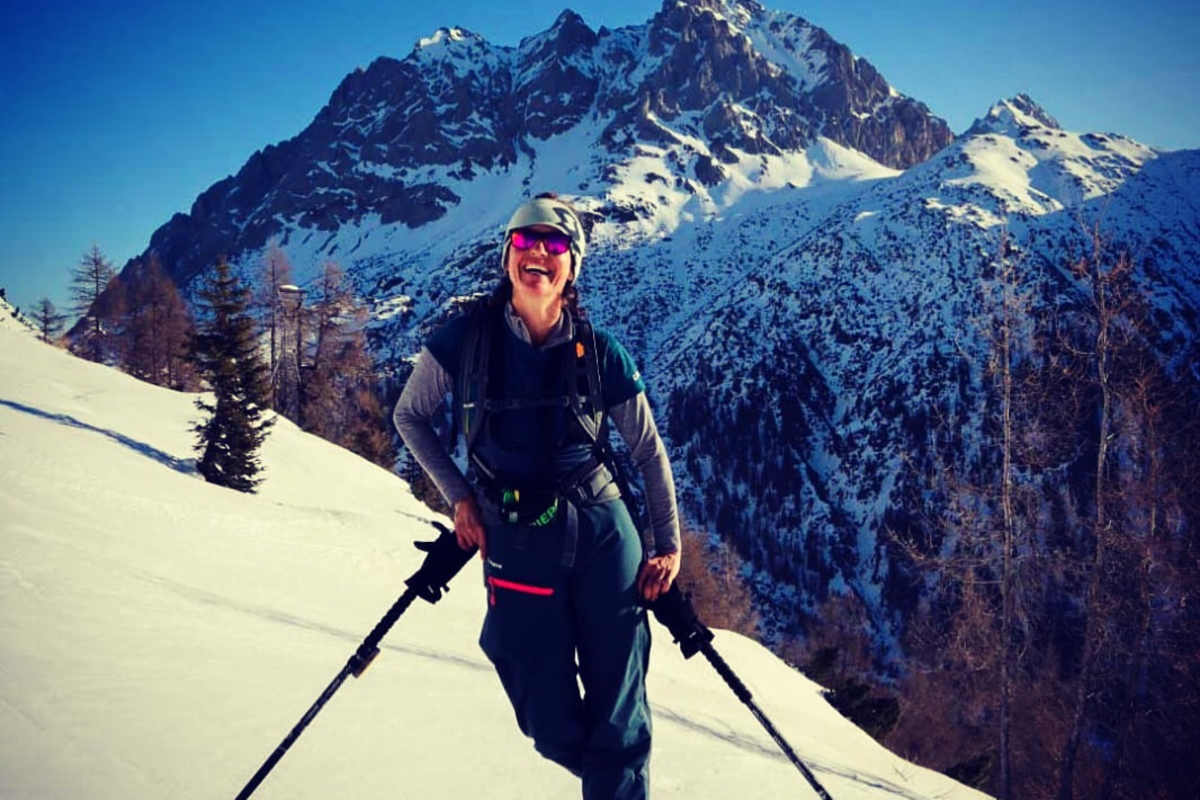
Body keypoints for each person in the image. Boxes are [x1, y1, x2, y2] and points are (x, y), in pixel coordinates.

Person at [393, 193, 681, 799]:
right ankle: (612, 778)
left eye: (556, 245)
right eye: (527, 241)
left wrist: (668, 546)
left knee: (621, 711)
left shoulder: (601, 354)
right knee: (544, 715)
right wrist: (460, 498)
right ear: (507, 256)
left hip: (605, 538)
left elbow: (649, 453)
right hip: (516, 540)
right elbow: (410, 416)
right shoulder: (463, 341)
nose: (539, 254)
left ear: (571, 267)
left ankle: (617, 781)